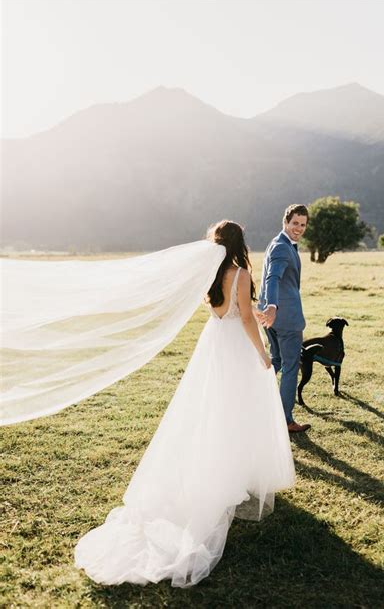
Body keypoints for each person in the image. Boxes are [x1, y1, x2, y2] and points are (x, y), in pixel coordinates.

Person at [74, 220, 295, 587]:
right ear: (239, 243)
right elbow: (243, 322)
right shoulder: (239, 273)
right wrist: (263, 352)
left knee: (212, 410)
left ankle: (226, 470)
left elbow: (233, 313)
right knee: (237, 413)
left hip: (213, 344)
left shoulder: (210, 274)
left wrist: (258, 312)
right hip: (236, 348)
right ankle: (230, 475)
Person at [258, 204, 310, 433]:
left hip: (272, 319)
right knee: (290, 366)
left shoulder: (279, 243)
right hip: (283, 318)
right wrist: (272, 306)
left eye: (303, 224)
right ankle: (285, 420)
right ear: (285, 222)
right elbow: (273, 278)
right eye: (295, 223)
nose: (298, 228)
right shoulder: (281, 247)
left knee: (276, 360)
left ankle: (256, 401)